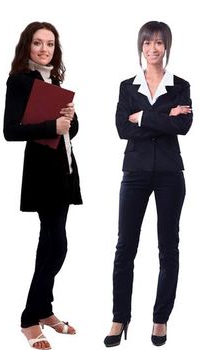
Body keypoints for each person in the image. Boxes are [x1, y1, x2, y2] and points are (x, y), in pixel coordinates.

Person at [105, 20, 191, 348]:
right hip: (136, 172)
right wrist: (162, 119)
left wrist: (141, 118)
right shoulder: (128, 87)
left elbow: (183, 126)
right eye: (147, 43)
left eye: (158, 43)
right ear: (140, 46)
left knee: (168, 247)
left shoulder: (180, 85)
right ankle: (119, 317)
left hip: (170, 173)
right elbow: (121, 130)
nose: (152, 49)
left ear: (166, 45)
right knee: (125, 247)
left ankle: (160, 320)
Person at [2, 21, 80, 350]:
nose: (44, 49)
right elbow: (10, 130)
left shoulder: (55, 79)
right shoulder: (19, 81)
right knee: (56, 244)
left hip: (64, 168)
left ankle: (44, 310)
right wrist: (54, 123)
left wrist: (70, 119)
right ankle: (28, 318)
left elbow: (71, 132)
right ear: (28, 46)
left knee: (49, 243)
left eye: (49, 44)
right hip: (42, 172)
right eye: (38, 43)